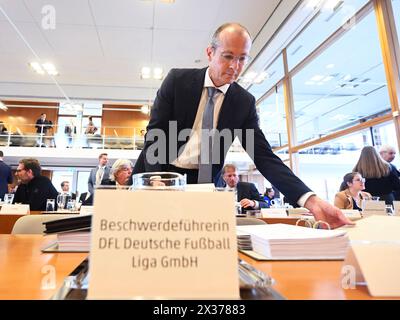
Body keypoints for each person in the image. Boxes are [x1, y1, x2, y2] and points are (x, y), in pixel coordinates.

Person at [133, 22, 353, 229]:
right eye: (227, 56)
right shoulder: (177, 81)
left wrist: (311, 200)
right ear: (210, 53)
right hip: (158, 174)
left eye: (242, 59)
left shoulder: (243, 102)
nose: (234, 67)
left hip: (203, 184)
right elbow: (155, 135)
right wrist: (155, 180)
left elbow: (264, 157)